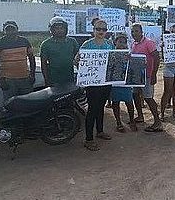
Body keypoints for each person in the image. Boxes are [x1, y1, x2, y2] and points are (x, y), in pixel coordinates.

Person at [78, 19, 114, 151]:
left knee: (100, 107)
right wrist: (78, 60)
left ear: (106, 31)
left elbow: (114, 60)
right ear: (93, 30)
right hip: (92, 84)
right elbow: (78, 61)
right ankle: (88, 139)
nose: (101, 31)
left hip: (105, 82)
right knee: (92, 109)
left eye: (104, 29)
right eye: (98, 29)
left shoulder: (109, 44)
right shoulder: (87, 45)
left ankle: (99, 131)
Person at [0, 20, 36, 99]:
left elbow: (32, 58)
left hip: (25, 79)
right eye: (8, 30)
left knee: (28, 104)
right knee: (10, 105)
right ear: (4, 31)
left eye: (12, 29)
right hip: (8, 81)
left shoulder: (24, 41)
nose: (10, 32)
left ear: (17, 29)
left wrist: (32, 75)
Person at [130, 23, 163, 131]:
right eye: (132, 31)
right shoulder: (133, 44)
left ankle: (157, 122)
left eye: (136, 31)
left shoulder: (149, 42)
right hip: (136, 77)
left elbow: (157, 58)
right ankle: (140, 116)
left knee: (148, 98)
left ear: (141, 32)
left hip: (147, 76)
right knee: (135, 95)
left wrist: (153, 74)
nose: (134, 33)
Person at [40, 17, 79, 87]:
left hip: (69, 78)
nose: (59, 30)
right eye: (57, 28)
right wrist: (46, 80)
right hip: (54, 79)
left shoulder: (72, 41)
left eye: (62, 28)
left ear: (66, 29)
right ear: (52, 30)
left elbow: (79, 59)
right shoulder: (46, 44)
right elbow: (43, 64)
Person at [110, 33, 137, 133]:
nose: (122, 44)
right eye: (120, 42)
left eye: (124, 42)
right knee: (115, 103)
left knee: (129, 103)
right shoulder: (110, 54)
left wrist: (135, 60)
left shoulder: (129, 54)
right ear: (115, 43)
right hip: (114, 84)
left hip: (126, 84)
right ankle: (118, 123)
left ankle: (132, 120)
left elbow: (134, 68)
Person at [160, 24, 175, 120]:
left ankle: (174, 111)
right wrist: (163, 48)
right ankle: (161, 113)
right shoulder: (165, 42)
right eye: (172, 31)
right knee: (167, 91)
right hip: (169, 68)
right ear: (169, 32)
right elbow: (163, 57)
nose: (174, 32)